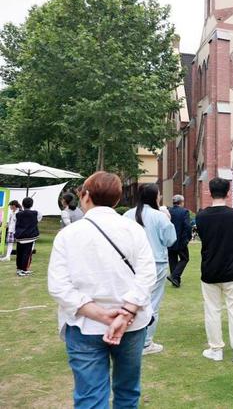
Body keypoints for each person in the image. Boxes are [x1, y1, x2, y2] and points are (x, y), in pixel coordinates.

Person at [47, 171, 157, 408]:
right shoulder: (134, 230)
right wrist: (124, 313)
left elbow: (58, 286)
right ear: (117, 200)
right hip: (130, 323)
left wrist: (100, 314)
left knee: (90, 397)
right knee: (127, 392)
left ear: (85, 196)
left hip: (85, 324)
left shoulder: (68, 234)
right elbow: (148, 275)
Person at [195, 177, 233, 362]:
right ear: (228, 192)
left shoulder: (201, 216)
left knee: (212, 310)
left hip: (210, 269)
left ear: (209, 192)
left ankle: (216, 349)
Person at [123, 184, 176, 355]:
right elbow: (170, 240)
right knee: (152, 303)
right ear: (155, 197)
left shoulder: (127, 215)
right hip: (156, 263)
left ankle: (129, 338)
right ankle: (146, 342)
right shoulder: (160, 217)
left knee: (131, 300)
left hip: (131, 264)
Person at [167, 194, 192, 288]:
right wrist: (188, 238)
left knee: (172, 259)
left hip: (170, 240)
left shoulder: (168, 211)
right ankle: (174, 276)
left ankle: (176, 281)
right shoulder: (184, 211)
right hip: (181, 240)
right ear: (181, 202)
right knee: (185, 258)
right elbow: (188, 226)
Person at [14, 197, 42, 276]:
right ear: (32, 205)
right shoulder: (37, 213)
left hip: (20, 236)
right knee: (27, 253)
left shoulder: (18, 214)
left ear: (22, 204)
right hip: (30, 237)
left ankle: (19, 269)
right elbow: (38, 220)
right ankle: (24, 269)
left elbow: (15, 222)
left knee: (19, 253)